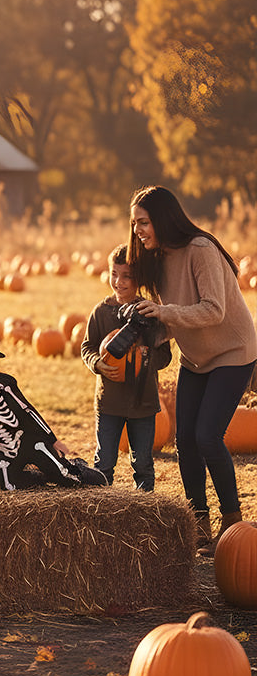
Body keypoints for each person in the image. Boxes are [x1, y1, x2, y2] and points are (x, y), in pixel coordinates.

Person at [128, 185, 257, 553]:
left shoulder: (200, 249)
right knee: (184, 439)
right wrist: (148, 333)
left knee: (207, 437)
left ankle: (232, 523)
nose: (138, 230)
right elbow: (176, 316)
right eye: (134, 223)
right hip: (195, 357)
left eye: (144, 222)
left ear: (164, 219)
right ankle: (197, 520)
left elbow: (213, 310)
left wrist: (163, 312)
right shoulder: (158, 258)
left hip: (233, 351)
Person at [0, 277, 108, 491]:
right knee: (6, 487)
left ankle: (75, 469)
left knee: (65, 476)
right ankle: (38, 478)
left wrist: (52, 439)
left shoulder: (3, 383)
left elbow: (27, 412)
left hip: (25, 441)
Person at [81, 244, 172, 490]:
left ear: (139, 278)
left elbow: (165, 356)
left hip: (143, 401)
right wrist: (97, 364)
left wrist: (141, 359)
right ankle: (101, 507)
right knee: (104, 461)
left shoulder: (149, 313)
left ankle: (143, 509)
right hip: (109, 401)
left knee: (142, 463)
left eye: (126, 276)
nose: (118, 282)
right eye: (114, 274)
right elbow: (87, 346)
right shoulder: (101, 312)